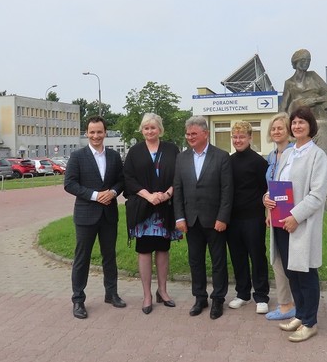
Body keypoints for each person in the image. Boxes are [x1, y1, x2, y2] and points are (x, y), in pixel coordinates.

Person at [263, 106, 327, 342]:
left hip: (301, 224)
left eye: (302, 122)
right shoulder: (289, 153)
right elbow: (277, 184)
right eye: (294, 122)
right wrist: (267, 198)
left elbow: (317, 195)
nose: (297, 126)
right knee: (292, 272)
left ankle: (310, 323)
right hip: (282, 223)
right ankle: (300, 314)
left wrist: (295, 216)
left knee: (306, 273)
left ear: (311, 126)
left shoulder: (317, 156)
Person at [64, 115, 125, 319]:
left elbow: (121, 181)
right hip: (85, 215)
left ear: (105, 133)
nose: (96, 136)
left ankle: (111, 293)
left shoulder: (114, 156)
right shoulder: (77, 156)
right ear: (86, 133)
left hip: (109, 214)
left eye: (99, 132)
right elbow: (69, 184)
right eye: (92, 132)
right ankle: (78, 300)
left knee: (110, 256)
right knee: (82, 258)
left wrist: (113, 192)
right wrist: (95, 195)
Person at [173, 115, 233, 320]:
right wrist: (179, 217)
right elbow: (178, 189)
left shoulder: (221, 157)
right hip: (191, 220)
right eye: (187, 134)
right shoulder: (181, 158)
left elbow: (227, 191)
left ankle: (218, 299)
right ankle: (200, 298)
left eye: (194, 133)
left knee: (218, 261)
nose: (190, 137)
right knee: (195, 261)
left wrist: (223, 217)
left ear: (205, 134)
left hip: (215, 220)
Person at [122, 113, 181, 315]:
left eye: (153, 128)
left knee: (163, 250)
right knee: (145, 250)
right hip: (143, 208)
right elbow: (128, 178)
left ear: (160, 129)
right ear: (142, 130)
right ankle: (147, 295)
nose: (149, 131)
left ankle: (162, 291)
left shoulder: (172, 149)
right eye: (146, 128)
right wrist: (149, 196)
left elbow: (179, 175)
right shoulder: (135, 151)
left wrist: (167, 194)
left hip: (165, 207)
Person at [281, 48, 327, 197]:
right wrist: (298, 104)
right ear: (295, 63)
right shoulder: (289, 83)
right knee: (303, 160)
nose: (306, 63)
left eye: (308, 60)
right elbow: (283, 109)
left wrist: (316, 100)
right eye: (303, 60)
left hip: (322, 120)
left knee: (325, 155)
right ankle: (305, 192)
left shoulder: (314, 76)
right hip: (301, 125)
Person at [226, 121, 270, 314]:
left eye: (242, 137)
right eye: (235, 137)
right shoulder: (228, 161)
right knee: (238, 257)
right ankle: (242, 293)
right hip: (233, 219)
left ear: (250, 138)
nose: (238, 140)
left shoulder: (259, 162)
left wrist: (266, 213)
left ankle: (261, 296)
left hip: (253, 218)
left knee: (257, 256)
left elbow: (266, 190)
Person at [263, 112, 296, 321]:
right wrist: (266, 204)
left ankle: (296, 303)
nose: (276, 131)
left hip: (292, 216)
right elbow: (270, 186)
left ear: (288, 130)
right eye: (273, 128)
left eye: (280, 128)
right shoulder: (271, 155)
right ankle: (285, 304)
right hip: (275, 214)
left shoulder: (295, 154)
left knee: (293, 260)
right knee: (277, 259)